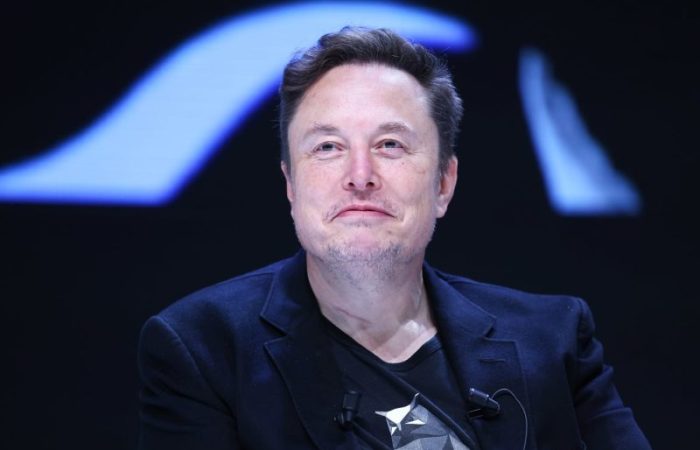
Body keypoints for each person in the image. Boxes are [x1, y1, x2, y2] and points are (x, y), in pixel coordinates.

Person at [137, 27, 651, 450]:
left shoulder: (555, 340)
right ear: (291, 185)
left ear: (444, 183)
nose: (360, 176)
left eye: (390, 144)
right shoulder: (204, 349)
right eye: (328, 147)